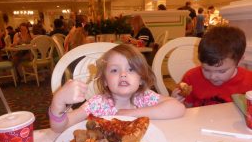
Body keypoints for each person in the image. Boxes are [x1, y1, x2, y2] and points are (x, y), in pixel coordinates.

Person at [49, 44, 185, 132]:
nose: (123, 74)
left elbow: (178, 108)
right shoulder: (97, 104)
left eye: (131, 69)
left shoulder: (144, 97)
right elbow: (60, 127)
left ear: (141, 78)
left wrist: (130, 114)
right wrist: (58, 102)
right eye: (114, 70)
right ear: (105, 80)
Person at [171, 26, 252, 107]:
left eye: (221, 71)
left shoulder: (249, 81)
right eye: (206, 69)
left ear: (239, 61)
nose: (212, 77)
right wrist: (177, 103)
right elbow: (188, 108)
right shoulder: (191, 78)